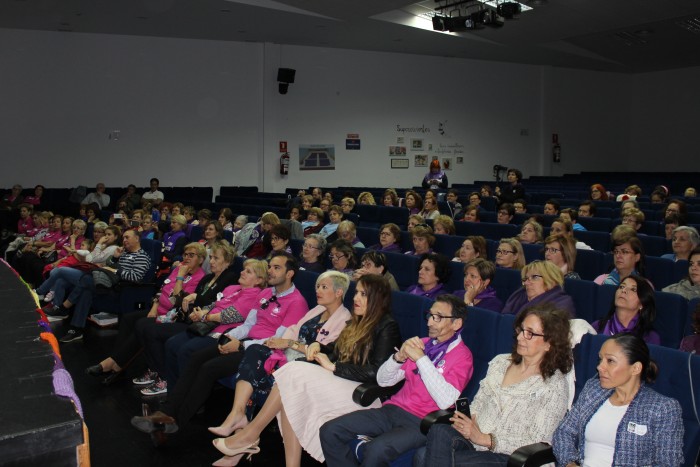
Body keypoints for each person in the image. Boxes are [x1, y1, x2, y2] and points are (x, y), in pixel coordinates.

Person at [211, 274, 402, 466]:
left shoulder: (387, 326)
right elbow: (335, 350)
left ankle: (250, 434)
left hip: (362, 392)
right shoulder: (356, 322)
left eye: (363, 294)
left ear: (377, 297)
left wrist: (334, 366)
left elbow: (378, 373)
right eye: (357, 292)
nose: (356, 298)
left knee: (293, 375)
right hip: (343, 380)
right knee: (290, 392)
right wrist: (319, 347)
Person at [130, 252, 308, 437]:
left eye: (276, 268)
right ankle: (166, 413)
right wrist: (229, 337)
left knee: (209, 368)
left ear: (290, 274)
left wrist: (240, 346)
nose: (270, 271)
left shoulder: (297, 302)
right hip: (243, 341)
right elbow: (248, 325)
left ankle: (173, 422)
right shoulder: (266, 293)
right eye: (270, 266)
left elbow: (277, 341)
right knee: (196, 358)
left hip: (262, 352)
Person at [320, 295, 474, 466]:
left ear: (456, 323)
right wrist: (398, 357)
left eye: (437, 317)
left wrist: (422, 360)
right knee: (330, 430)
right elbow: (383, 381)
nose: (430, 322)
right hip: (392, 410)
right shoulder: (423, 344)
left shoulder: (463, 357)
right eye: (429, 315)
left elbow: (446, 400)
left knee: (376, 449)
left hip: (423, 422)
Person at [415, 304, 573, 466]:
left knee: (427, 457)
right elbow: (479, 403)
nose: (519, 337)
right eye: (521, 330)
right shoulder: (500, 363)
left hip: (512, 458)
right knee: (439, 430)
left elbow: (539, 440)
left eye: (530, 333)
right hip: (476, 443)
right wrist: (468, 421)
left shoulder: (554, 385)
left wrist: (488, 440)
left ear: (550, 343)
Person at [207, 271, 352, 438]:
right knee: (255, 354)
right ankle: (237, 416)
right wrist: (280, 343)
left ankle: (240, 438)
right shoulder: (317, 310)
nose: (318, 290)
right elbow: (293, 330)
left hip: (304, 368)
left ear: (339, 292)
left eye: (324, 287)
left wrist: (289, 344)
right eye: (317, 286)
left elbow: (322, 352)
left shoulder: (344, 320)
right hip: (286, 357)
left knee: (255, 372)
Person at [553, 334, 684, 467]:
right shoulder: (593, 390)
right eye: (600, 359)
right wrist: (570, 463)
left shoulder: (662, 408)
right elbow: (564, 432)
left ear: (635, 368)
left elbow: (668, 463)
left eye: (610, 361)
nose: (600, 367)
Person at [85, 242, 208, 383]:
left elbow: (178, 302)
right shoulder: (179, 268)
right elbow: (162, 288)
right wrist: (154, 306)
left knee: (141, 324)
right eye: (185, 254)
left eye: (191, 255)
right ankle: (117, 361)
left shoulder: (199, 278)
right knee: (127, 318)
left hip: (172, 316)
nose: (186, 257)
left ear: (201, 259)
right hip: (159, 309)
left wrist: (180, 277)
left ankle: (115, 363)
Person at [592, 275, 660, 344]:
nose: (624, 290)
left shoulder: (650, 337)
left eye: (633, 289)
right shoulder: (597, 327)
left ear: (641, 304)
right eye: (621, 287)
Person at [502, 260, 576, 316]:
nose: (527, 283)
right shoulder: (519, 296)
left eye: (534, 277)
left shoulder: (561, 305)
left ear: (551, 280)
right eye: (526, 279)